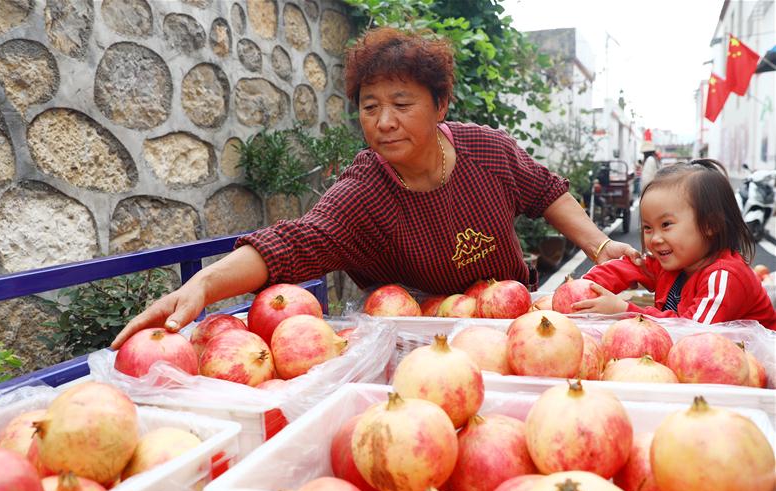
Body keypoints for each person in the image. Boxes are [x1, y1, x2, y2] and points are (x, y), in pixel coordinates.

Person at [112, 27, 642, 347]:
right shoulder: (365, 189)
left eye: (402, 104)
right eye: (370, 107)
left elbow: (543, 190)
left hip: (515, 331)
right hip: (417, 344)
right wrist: (202, 286)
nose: (384, 121)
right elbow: (295, 243)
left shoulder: (485, 150)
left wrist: (599, 246)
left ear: (439, 106)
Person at [572, 159, 776, 330]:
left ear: (710, 225)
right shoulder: (671, 260)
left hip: (753, 365)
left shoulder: (724, 277)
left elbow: (690, 333)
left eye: (666, 225)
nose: (655, 239)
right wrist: (582, 290)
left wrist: (623, 310)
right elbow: (624, 268)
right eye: (648, 227)